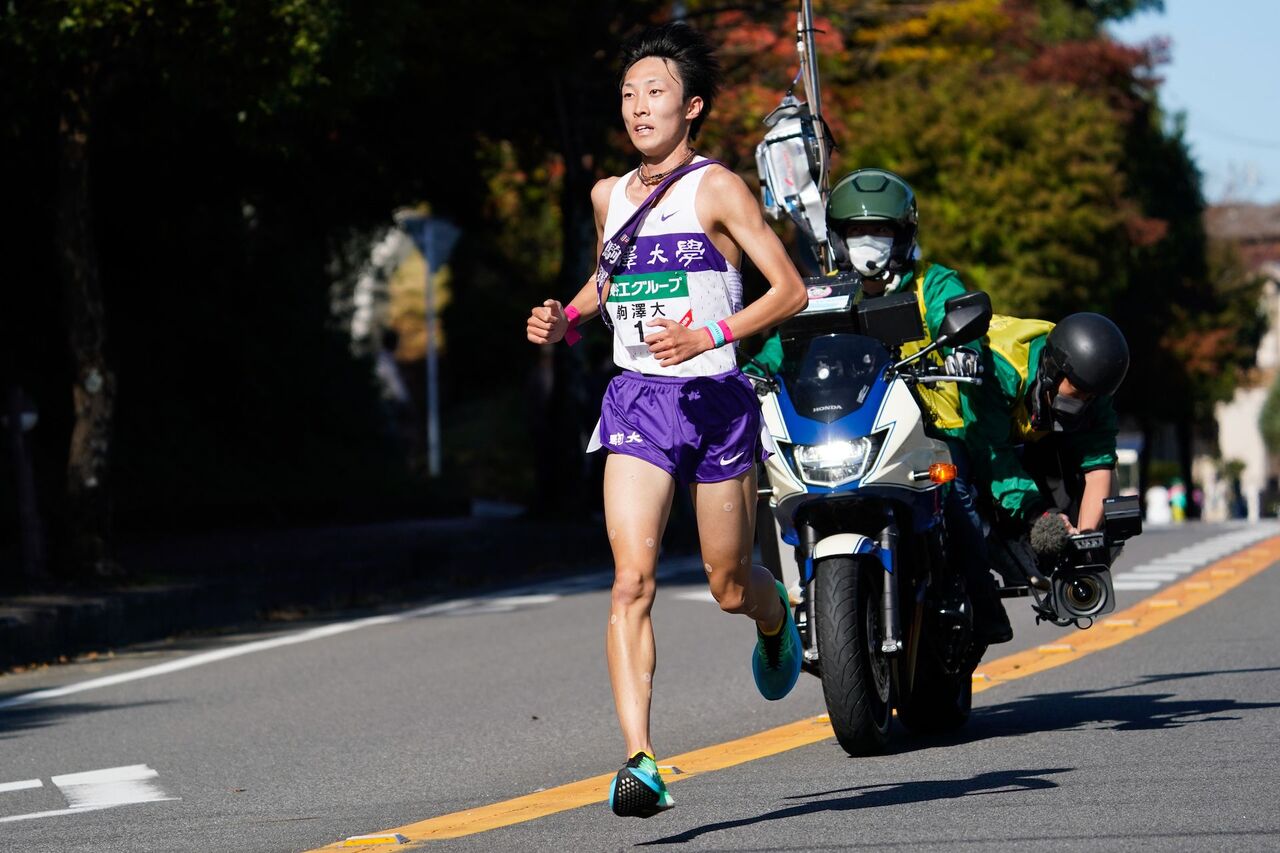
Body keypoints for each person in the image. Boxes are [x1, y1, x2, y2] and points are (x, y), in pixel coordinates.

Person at [525, 22, 808, 819]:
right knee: (631, 581)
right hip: (638, 401)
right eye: (627, 94)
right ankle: (640, 759)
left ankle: (773, 614)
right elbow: (606, 280)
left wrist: (709, 334)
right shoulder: (607, 195)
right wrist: (565, 317)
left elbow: (787, 290)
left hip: (716, 400)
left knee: (724, 583)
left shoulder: (718, 189)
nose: (638, 106)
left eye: (654, 92)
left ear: (692, 107)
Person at [747, 168, 1012, 644]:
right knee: (773, 496)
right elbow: (781, 350)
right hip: (845, 427)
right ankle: (792, 615)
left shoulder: (931, 284)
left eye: (882, 230)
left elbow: (962, 318)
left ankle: (982, 603)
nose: (869, 241)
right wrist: (751, 373)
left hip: (928, 433)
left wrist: (965, 352)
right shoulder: (820, 293)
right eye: (856, 231)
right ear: (838, 238)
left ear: (904, 235)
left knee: (957, 501)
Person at [960, 312, 1129, 555]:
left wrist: (1085, 540)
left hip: (1032, 436)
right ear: (1053, 369)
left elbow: (1098, 467)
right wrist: (1040, 515)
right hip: (975, 432)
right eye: (1077, 393)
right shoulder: (1001, 371)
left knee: (1104, 520)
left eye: (1089, 397)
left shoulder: (1094, 384)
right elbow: (991, 453)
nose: (1083, 403)